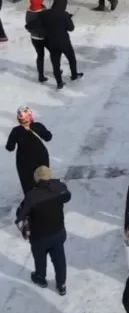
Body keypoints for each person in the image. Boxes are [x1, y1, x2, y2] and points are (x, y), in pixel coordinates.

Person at [15, 166, 71, 295]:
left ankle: (40, 278)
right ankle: (61, 284)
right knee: (59, 259)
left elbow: (20, 216)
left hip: (39, 236)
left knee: (40, 258)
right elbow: (67, 197)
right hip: (58, 232)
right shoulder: (61, 188)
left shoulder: (32, 195)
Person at [37, 0, 83, 89]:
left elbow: (38, 23)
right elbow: (71, 28)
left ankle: (59, 83)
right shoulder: (64, 15)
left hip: (52, 43)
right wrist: (68, 19)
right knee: (71, 59)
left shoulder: (44, 14)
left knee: (56, 63)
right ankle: (74, 75)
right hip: (64, 42)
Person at [5, 106, 52, 194]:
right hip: (41, 158)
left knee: (28, 186)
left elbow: (10, 148)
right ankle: (47, 200)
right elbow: (48, 137)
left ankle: (31, 203)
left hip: (24, 162)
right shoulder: (38, 126)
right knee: (44, 180)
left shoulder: (16, 131)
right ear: (30, 116)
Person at [25, 0, 48, 82]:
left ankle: (41, 76)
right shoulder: (43, 12)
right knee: (54, 53)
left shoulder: (29, 11)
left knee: (40, 56)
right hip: (45, 37)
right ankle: (56, 70)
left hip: (34, 38)